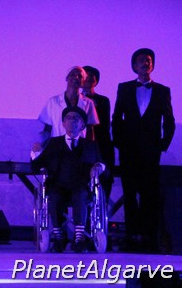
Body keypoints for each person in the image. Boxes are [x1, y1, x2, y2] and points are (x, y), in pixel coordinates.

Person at [112, 48, 175, 253]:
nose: (145, 63)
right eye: (141, 60)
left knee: (149, 194)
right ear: (134, 66)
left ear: (152, 65)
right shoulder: (124, 88)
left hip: (151, 151)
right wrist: (119, 142)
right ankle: (132, 236)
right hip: (129, 150)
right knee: (130, 194)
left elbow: (169, 120)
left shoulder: (163, 90)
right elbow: (116, 117)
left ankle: (148, 237)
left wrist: (163, 144)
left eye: (148, 60)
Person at [31, 106, 106, 253]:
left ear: (82, 125)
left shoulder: (90, 145)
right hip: (58, 185)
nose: (72, 121)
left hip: (81, 186)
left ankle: (79, 237)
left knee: (80, 194)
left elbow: (103, 166)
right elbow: (36, 167)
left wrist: (99, 166)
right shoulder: (53, 143)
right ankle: (58, 236)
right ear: (63, 123)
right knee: (53, 195)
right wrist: (35, 153)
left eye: (76, 118)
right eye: (68, 118)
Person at [37, 66, 99, 148]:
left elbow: (90, 129)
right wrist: (43, 146)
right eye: (73, 74)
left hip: (80, 147)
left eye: (80, 76)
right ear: (67, 78)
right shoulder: (53, 102)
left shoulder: (88, 103)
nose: (76, 77)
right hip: (57, 146)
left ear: (83, 82)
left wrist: (89, 148)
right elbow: (47, 129)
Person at [81, 66, 115, 200]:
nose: (90, 78)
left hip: (102, 145)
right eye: (87, 75)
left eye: (93, 75)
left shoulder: (103, 100)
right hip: (83, 145)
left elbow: (104, 125)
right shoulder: (76, 98)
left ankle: (102, 211)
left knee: (105, 181)